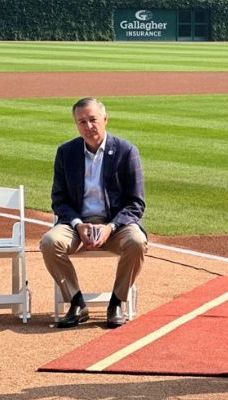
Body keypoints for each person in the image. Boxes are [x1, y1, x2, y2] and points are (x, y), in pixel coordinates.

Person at [40, 97, 147, 329]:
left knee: (137, 241)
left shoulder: (126, 151)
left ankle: (116, 302)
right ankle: (77, 302)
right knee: (49, 242)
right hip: (77, 226)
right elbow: (59, 200)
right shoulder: (66, 152)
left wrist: (111, 227)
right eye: (82, 122)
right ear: (76, 125)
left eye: (92, 120)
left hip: (115, 225)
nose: (88, 126)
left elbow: (136, 204)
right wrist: (79, 225)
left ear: (105, 120)